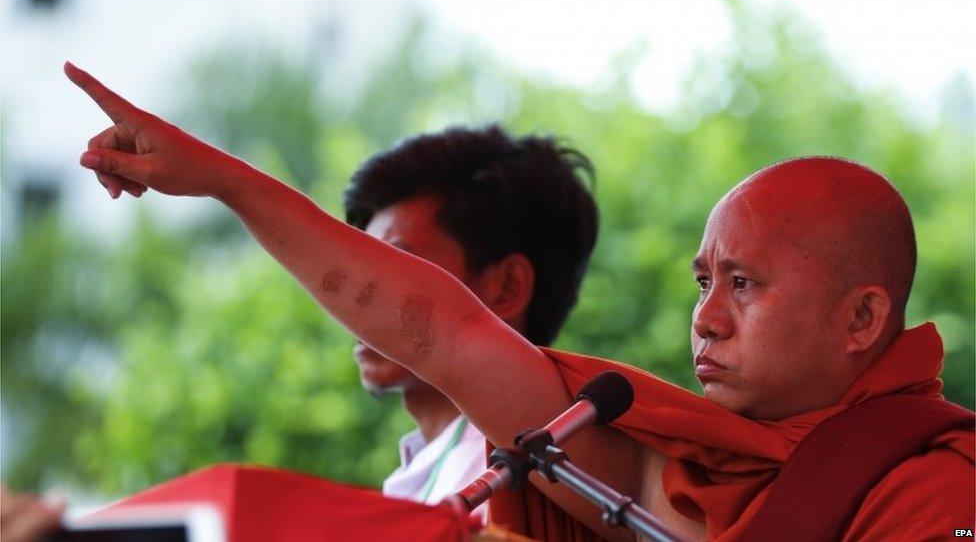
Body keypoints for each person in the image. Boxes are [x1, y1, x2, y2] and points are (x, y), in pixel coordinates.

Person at [52, 62, 974, 541]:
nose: (707, 316)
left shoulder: (936, 483)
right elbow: (439, 329)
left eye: (744, 283)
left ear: (862, 318)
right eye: (703, 282)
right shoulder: (659, 463)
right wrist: (226, 181)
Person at [341, 126, 598, 515]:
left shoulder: (514, 482)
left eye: (394, 265)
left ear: (507, 287)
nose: (356, 299)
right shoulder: (441, 466)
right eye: (357, 270)